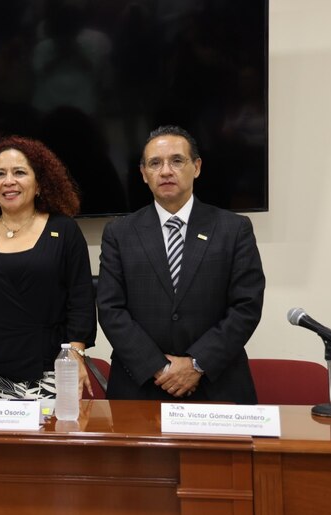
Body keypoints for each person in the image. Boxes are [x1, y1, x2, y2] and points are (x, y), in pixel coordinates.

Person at [97, 125, 265, 403]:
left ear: (196, 167)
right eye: (155, 163)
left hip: (216, 384)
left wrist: (197, 364)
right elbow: (110, 308)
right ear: (143, 174)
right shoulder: (119, 233)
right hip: (140, 386)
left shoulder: (233, 229)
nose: (165, 171)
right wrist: (160, 367)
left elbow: (246, 307)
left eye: (177, 161)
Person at [0, 135, 96, 400]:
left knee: (49, 442)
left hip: (51, 374)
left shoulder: (65, 230)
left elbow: (81, 301)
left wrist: (76, 355)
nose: (8, 181)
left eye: (19, 172)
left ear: (39, 184)